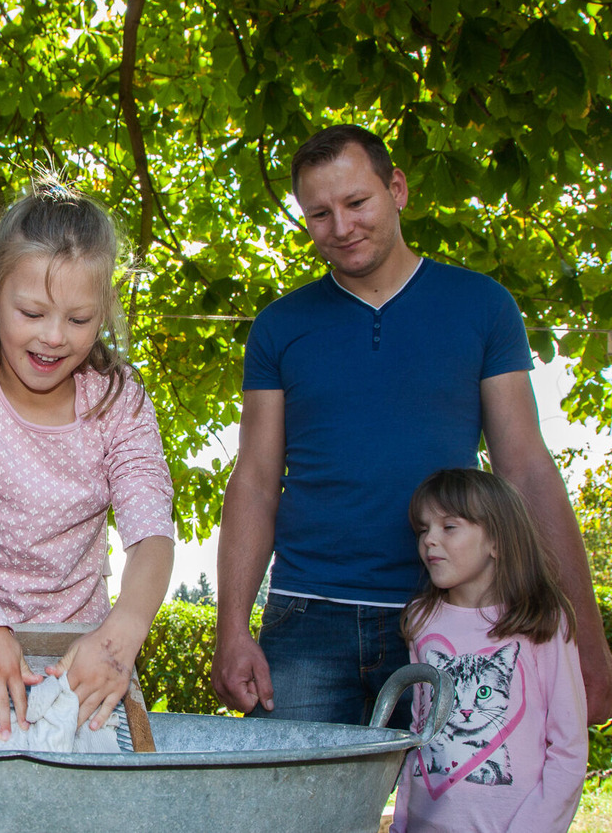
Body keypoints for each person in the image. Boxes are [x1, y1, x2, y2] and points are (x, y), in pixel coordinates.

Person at [211, 124, 612, 727]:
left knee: (458, 789)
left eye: (357, 202)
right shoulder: (278, 326)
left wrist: (585, 636)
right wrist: (231, 629)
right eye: (319, 214)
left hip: (453, 612)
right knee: (288, 793)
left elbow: (526, 471)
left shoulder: (483, 306)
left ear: (396, 189)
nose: (341, 227)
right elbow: (256, 482)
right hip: (306, 618)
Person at [0, 180, 177, 740]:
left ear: (104, 311)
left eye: (79, 318)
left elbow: (150, 534)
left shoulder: (120, 401)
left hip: (83, 664)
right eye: (33, 312)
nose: (54, 337)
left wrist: (119, 638)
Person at [390, 469, 585, 833]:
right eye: (423, 529)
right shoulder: (420, 618)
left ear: (497, 541)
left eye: (449, 527)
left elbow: (568, 748)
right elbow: (421, 731)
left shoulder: (541, 619)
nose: (429, 539)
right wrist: (401, 822)